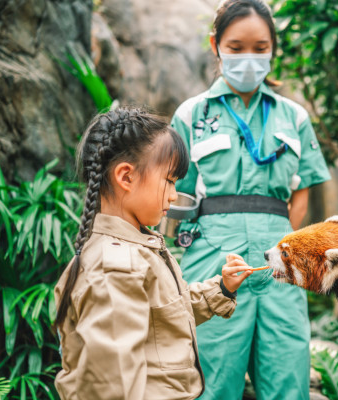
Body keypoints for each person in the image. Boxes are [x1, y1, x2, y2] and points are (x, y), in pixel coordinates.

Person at [170, 1, 332, 399]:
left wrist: (282, 240)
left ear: (273, 50)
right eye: (237, 46)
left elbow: (301, 196)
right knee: (212, 382)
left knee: (287, 378)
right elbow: (175, 194)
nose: (249, 57)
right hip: (212, 260)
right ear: (216, 45)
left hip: (281, 262)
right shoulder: (190, 115)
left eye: (260, 48)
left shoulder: (294, 117)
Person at [53, 108, 254, 399]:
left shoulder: (136, 247)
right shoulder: (117, 267)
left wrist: (220, 289)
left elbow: (162, 317)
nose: (174, 195)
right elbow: (112, 386)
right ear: (126, 177)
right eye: (169, 180)